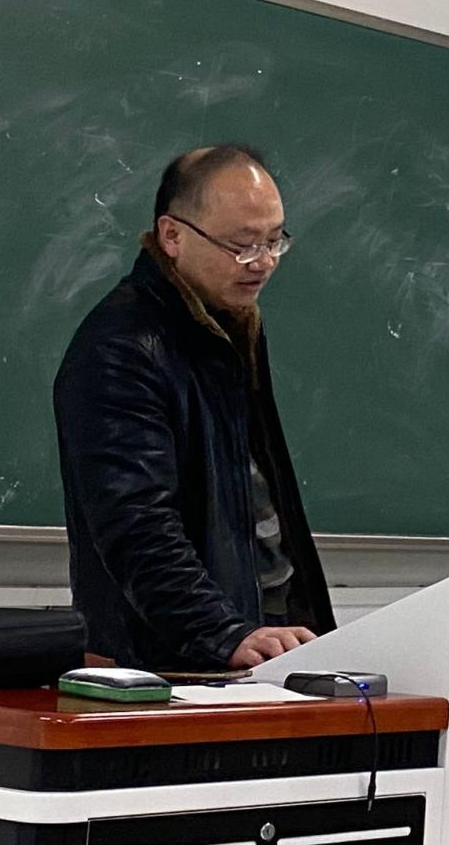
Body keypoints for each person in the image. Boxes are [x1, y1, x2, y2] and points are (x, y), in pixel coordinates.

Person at [54, 145, 334, 672]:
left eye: (274, 240)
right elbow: (136, 524)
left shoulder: (226, 322)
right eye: (241, 245)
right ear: (172, 236)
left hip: (256, 640)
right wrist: (221, 632)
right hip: (175, 663)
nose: (263, 262)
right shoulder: (120, 349)